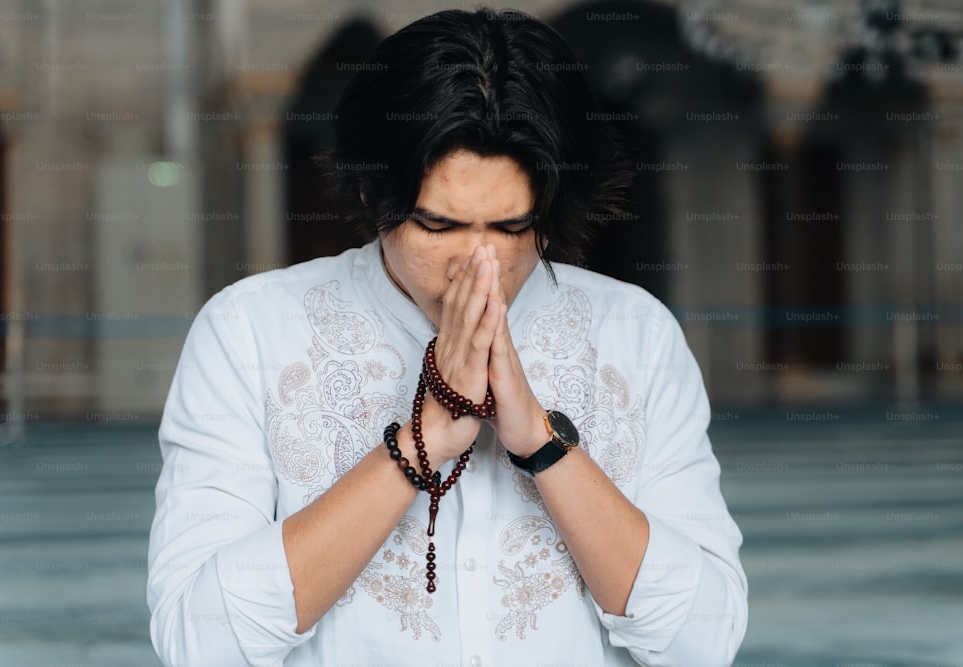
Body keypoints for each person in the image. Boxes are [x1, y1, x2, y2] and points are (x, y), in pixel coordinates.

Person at [147, 8, 747, 667]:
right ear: (376, 195)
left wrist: (541, 445)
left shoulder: (637, 337)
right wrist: (422, 442)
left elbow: (703, 643)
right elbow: (200, 644)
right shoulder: (249, 334)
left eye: (512, 227)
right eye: (439, 226)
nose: (478, 264)